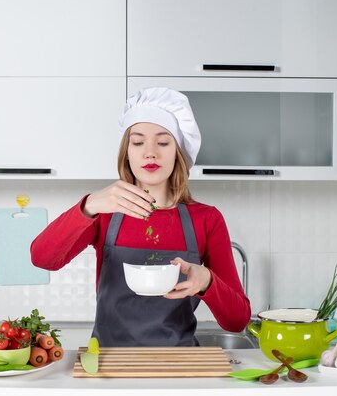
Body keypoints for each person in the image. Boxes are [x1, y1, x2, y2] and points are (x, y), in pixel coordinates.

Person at [31, 87, 250, 346]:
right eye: (138, 142)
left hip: (179, 366)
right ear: (127, 152)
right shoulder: (104, 213)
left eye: (163, 142)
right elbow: (42, 258)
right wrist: (90, 204)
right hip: (109, 365)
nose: (150, 152)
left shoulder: (207, 219)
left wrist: (207, 281)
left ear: (178, 152)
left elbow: (237, 321)